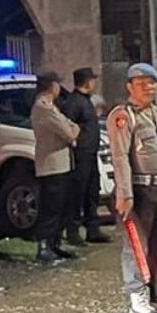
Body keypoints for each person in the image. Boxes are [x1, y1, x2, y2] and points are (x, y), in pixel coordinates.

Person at [107, 63, 157, 313]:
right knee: (136, 246)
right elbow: (120, 157)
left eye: (152, 82)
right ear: (130, 87)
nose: (149, 87)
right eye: (142, 83)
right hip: (138, 191)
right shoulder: (123, 116)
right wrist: (125, 193)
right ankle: (137, 299)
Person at [31, 72, 80, 265]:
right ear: (52, 86)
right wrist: (73, 132)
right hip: (51, 164)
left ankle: (55, 244)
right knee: (50, 207)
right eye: (58, 84)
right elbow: (69, 132)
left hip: (61, 163)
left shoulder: (51, 107)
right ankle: (44, 247)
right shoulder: (44, 107)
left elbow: (70, 126)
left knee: (60, 206)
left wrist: (72, 129)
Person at [60, 67, 112, 246]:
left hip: (91, 154)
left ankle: (93, 229)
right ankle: (73, 232)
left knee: (92, 192)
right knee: (77, 194)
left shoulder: (86, 101)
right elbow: (69, 126)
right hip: (80, 155)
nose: (95, 83)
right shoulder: (74, 102)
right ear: (87, 82)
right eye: (92, 80)